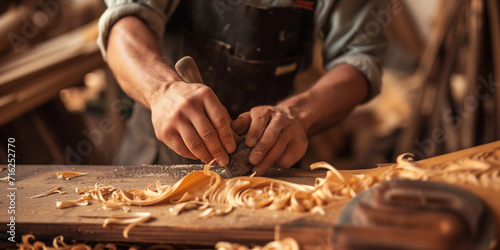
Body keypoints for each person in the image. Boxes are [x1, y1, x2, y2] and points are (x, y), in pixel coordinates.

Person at [97, 0, 390, 175]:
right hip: (157, 159)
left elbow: (359, 58)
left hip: (270, 160)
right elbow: (125, 22)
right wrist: (162, 91)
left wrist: (297, 114)